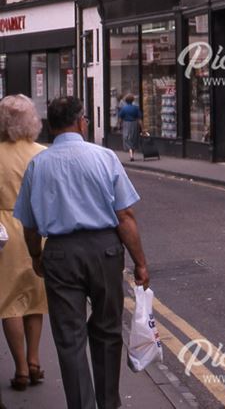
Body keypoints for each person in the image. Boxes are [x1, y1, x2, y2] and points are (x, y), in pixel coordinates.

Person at [14, 96, 150, 409]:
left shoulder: (38, 164)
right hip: (104, 250)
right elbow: (125, 217)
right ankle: (108, 403)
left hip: (60, 253)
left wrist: (37, 256)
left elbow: (31, 226)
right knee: (107, 330)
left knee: (69, 337)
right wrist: (140, 263)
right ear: (81, 121)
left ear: (51, 125)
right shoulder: (104, 157)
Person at [0, 95, 48, 394]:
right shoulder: (41, 154)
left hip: (3, 233)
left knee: (8, 303)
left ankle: (18, 368)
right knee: (35, 299)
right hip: (36, 230)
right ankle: (34, 361)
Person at [117, 94, 142, 161]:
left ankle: (131, 154)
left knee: (126, 138)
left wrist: (119, 125)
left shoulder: (124, 108)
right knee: (133, 138)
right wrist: (142, 127)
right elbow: (139, 119)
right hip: (134, 124)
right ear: (132, 100)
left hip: (126, 124)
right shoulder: (136, 108)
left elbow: (120, 118)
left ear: (126, 101)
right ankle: (132, 154)